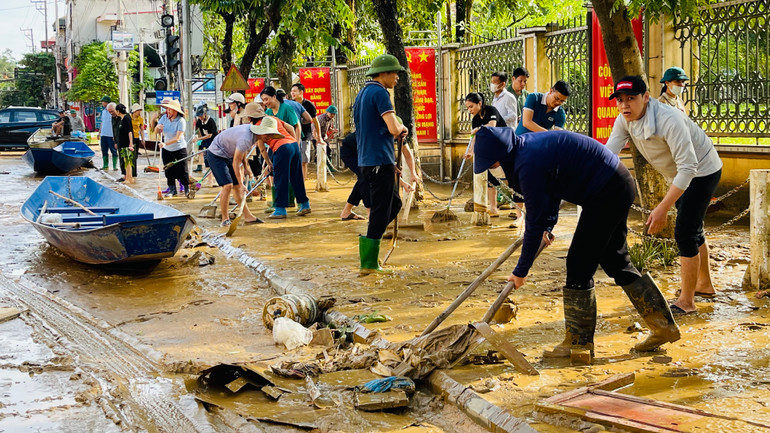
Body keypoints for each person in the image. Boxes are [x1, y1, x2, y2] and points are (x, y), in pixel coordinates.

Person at [473, 126, 681, 357]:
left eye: (492, 165)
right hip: (616, 184)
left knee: (579, 265)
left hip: (606, 191)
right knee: (616, 261)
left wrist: (521, 271)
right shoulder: (525, 149)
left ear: (502, 156)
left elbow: (533, 223)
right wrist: (548, 227)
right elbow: (550, 192)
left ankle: (578, 344)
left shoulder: (527, 164)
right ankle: (663, 327)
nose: (494, 171)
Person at [605, 76, 723, 315]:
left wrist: (662, 208)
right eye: (620, 100)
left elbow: (689, 167)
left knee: (685, 232)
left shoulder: (670, 119)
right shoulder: (623, 120)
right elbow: (608, 154)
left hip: (702, 170)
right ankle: (705, 285)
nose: (625, 105)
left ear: (646, 97)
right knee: (693, 228)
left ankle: (687, 302)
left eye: (631, 98)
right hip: (679, 174)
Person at [354, 53, 420, 275]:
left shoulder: (362, 94)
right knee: (382, 211)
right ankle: (369, 263)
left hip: (368, 161)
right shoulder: (380, 93)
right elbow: (393, 128)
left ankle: (371, 246)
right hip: (378, 161)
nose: (397, 78)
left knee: (393, 205)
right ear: (382, 74)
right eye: (394, 73)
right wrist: (403, 129)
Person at [206, 102, 266, 227]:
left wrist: (246, 168)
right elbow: (235, 163)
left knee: (237, 187)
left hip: (228, 154)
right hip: (216, 154)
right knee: (228, 185)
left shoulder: (256, 135)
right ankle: (225, 218)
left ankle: (248, 216)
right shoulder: (247, 137)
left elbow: (242, 152)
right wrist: (242, 183)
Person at [251, 114, 311, 219]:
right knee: (296, 177)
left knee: (280, 179)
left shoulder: (258, 129)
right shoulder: (273, 119)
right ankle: (305, 204)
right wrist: (295, 142)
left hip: (282, 148)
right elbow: (292, 128)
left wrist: (269, 163)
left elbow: (262, 149)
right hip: (293, 145)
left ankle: (280, 209)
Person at [464, 92, 507, 218]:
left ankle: (516, 207)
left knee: (509, 177)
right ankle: (493, 208)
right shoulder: (475, 119)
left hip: (503, 147)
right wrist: (471, 152)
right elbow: (474, 138)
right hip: (489, 150)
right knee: (490, 179)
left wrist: (478, 129)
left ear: (479, 103)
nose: (469, 110)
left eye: (471, 106)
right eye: (467, 108)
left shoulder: (491, 110)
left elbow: (492, 125)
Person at [155, 99, 192, 198]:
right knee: (168, 170)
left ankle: (187, 189)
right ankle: (172, 189)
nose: (168, 111)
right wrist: (157, 128)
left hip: (179, 148)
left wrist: (165, 143)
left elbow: (177, 137)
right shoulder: (164, 118)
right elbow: (156, 131)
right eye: (167, 109)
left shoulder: (181, 121)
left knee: (183, 170)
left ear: (175, 111)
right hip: (167, 150)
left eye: (170, 110)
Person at [290, 83, 325, 179]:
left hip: (305, 135)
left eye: (294, 91)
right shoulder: (290, 104)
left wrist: (319, 137)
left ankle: (302, 183)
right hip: (291, 136)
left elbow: (315, 120)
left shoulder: (309, 105)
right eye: (291, 91)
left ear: (301, 92)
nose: (292, 93)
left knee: (303, 161)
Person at [339, 131, 369, 220]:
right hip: (349, 151)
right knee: (365, 177)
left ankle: (346, 211)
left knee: (364, 178)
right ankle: (370, 214)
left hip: (360, 151)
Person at [194, 105, 218, 177]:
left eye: (201, 116)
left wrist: (198, 139)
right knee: (206, 160)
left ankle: (214, 179)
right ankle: (209, 180)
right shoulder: (199, 121)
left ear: (205, 114)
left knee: (212, 160)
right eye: (198, 116)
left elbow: (210, 135)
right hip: (205, 141)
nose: (200, 117)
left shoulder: (211, 121)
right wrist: (197, 137)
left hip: (212, 142)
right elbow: (198, 130)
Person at [115, 104, 136, 184]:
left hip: (127, 144)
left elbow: (130, 132)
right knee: (126, 162)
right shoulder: (123, 119)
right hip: (123, 144)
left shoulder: (126, 119)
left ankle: (129, 178)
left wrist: (130, 143)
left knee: (127, 162)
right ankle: (129, 177)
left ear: (118, 111)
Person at [98, 96, 118, 170]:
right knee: (104, 150)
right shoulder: (103, 112)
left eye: (103, 101)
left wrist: (115, 135)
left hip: (111, 135)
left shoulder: (113, 112)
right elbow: (102, 122)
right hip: (104, 134)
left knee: (113, 150)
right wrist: (99, 133)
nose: (102, 103)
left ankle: (115, 166)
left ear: (107, 102)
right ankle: (105, 165)